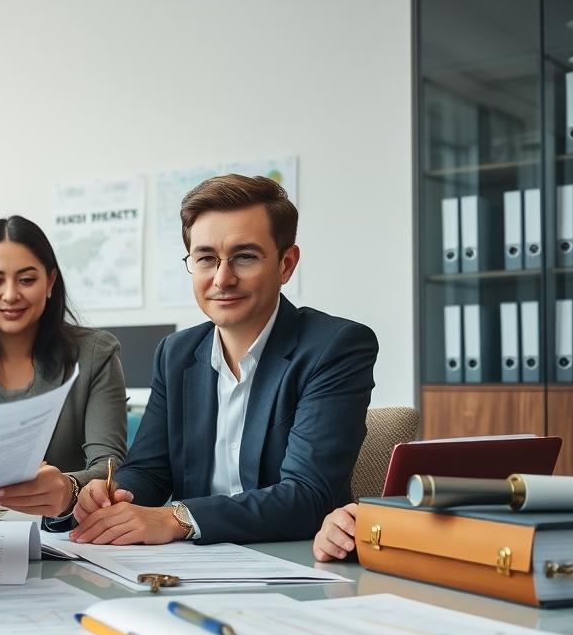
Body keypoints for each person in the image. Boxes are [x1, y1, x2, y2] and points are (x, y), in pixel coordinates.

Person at [71, 174, 377, 546]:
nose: (222, 278)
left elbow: (308, 495)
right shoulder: (175, 353)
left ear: (286, 264)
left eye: (244, 257)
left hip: (294, 560)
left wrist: (177, 518)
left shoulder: (335, 346)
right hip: (195, 565)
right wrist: (113, 496)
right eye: (205, 259)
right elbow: (149, 471)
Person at [0, 216, 127, 521]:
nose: (10, 294)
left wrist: (67, 486)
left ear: (49, 282)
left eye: (27, 279)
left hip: (61, 539)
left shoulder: (95, 354)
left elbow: (111, 468)